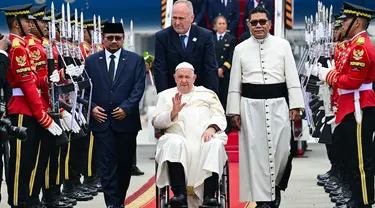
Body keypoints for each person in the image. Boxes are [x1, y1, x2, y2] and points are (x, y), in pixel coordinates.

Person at [226, 6, 304, 208]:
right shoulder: (240, 49)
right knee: (256, 153)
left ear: (269, 23)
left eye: (262, 21)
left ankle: (275, 186)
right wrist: (233, 111)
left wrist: (296, 105)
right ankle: (263, 200)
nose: (259, 25)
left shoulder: (283, 45)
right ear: (248, 24)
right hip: (250, 106)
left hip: (279, 103)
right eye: (254, 22)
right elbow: (234, 82)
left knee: (283, 150)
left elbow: (292, 76)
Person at [311, 2, 375, 207]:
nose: (342, 23)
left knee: (360, 161)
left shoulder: (360, 47)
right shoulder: (353, 44)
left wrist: (326, 74)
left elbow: (352, 82)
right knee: (350, 157)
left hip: (359, 106)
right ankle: (356, 199)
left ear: (357, 22)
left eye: (346, 20)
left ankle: (363, 201)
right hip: (349, 104)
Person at [0, 4, 64, 207]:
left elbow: (35, 82)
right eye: (26, 21)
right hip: (21, 110)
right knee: (21, 161)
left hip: (30, 107)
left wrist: (50, 79)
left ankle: (27, 199)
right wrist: (43, 116)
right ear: (16, 24)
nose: (31, 24)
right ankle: (19, 201)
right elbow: (26, 85)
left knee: (30, 159)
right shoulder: (18, 48)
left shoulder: (24, 46)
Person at [84, 22, 146, 208]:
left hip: (126, 122)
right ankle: (112, 204)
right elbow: (84, 90)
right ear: (103, 39)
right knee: (107, 166)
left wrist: (127, 107)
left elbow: (139, 87)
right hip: (101, 121)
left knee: (124, 165)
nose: (113, 41)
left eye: (117, 38)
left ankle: (119, 201)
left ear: (123, 39)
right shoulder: (92, 61)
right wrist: (92, 107)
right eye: (109, 38)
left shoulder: (135, 60)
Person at [153, 62, 228, 207]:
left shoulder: (207, 94)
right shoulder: (165, 96)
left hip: (204, 138)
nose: (183, 80)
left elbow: (220, 116)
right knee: (172, 143)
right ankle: (180, 194)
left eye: (187, 77)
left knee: (214, 144)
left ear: (194, 77)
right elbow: (157, 122)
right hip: (178, 138)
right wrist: (172, 112)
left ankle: (209, 196)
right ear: (174, 77)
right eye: (180, 76)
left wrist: (212, 128)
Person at [154, 0, 218, 94]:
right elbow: (160, 70)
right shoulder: (162, 37)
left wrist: (211, 96)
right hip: (172, 94)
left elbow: (210, 69)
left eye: (181, 18)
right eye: (174, 18)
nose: (177, 22)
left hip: (199, 95)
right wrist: (164, 96)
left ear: (191, 18)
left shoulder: (205, 36)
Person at [212, 15, 235, 133]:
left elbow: (231, 57)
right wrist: (215, 69)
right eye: (219, 23)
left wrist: (222, 69)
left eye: (224, 23)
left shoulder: (231, 39)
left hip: (225, 74)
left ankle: (227, 124)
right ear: (215, 26)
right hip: (213, 73)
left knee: (225, 99)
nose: (221, 26)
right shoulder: (210, 38)